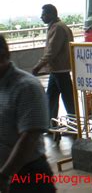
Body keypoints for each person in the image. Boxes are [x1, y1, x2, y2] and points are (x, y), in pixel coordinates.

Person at [0, 35, 56, 192]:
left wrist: (4, 176)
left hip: (28, 176)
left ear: (3, 55)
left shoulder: (26, 87)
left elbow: (29, 138)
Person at [32, 4, 75, 127]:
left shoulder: (57, 28)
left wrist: (38, 66)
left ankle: (72, 125)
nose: (41, 17)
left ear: (51, 14)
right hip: (57, 69)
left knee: (67, 99)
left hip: (60, 69)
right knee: (52, 97)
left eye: (44, 14)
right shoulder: (58, 26)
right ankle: (52, 125)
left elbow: (51, 51)